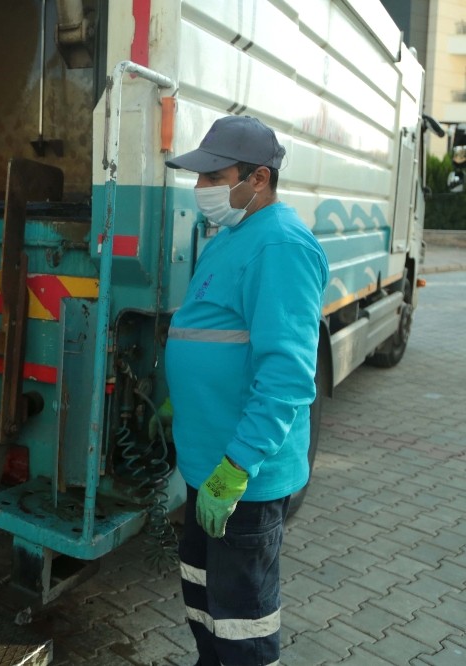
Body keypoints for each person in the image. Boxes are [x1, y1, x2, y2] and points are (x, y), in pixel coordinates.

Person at [163, 115, 329, 666]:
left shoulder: (281, 246)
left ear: (258, 178)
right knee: (207, 604)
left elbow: (285, 377)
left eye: (215, 176)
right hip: (206, 467)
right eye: (201, 176)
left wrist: (236, 467)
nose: (202, 188)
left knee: (243, 628)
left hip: (241, 481)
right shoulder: (233, 237)